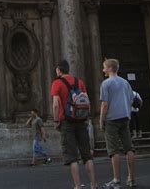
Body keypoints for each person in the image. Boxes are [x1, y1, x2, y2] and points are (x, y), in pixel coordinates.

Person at [51, 59, 97, 189]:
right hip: (81, 121)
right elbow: (86, 101)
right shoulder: (79, 82)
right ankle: (94, 184)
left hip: (66, 122)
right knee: (87, 155)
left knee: (72, 156)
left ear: (59, 70)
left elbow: (55, 105)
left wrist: (55, 121)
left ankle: (78, 185)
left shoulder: (57, 83)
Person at [100, 58, 136, 189]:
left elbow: (104, 104)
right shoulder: (125, 82)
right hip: (125, 117)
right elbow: (131, 100)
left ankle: (116, 180)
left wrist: (101, 119)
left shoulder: (106, 83)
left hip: (111, 119)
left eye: (104, 67)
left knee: (113, 149)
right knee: (129, 148)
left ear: (110, 68)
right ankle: (131, 179)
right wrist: (128, 114)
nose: (103, 70)